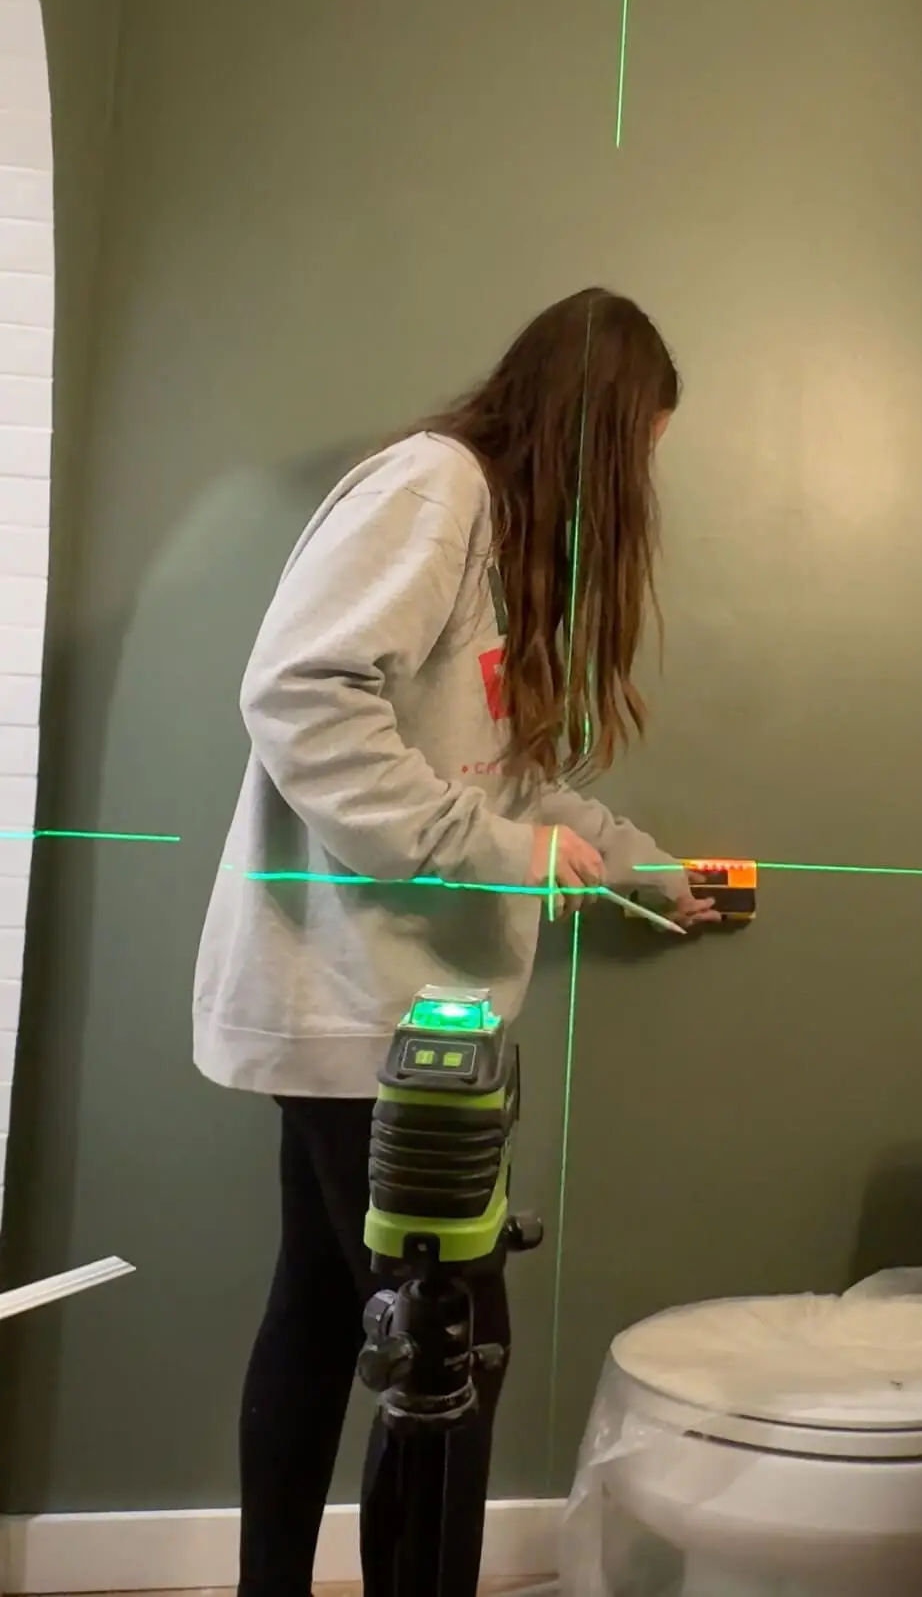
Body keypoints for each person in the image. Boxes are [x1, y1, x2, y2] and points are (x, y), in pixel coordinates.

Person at [192, 287, 718, 1597]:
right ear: (596, 429)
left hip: (382, 1010)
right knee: (452, 1351)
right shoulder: (437, 493)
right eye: (640, 451)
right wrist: (501, 853)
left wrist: (639, 866)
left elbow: (501, 782)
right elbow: (296, 695)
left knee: (323, 1312)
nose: (642, 487)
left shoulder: (501, 545)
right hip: (359, 1004)